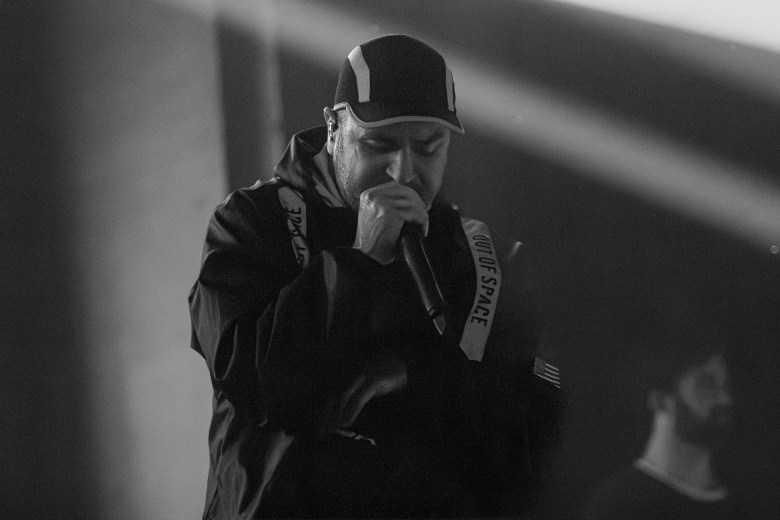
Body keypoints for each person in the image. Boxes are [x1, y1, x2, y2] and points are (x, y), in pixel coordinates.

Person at [189, 34, 560, 518]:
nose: (403, 173)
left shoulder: (477, 250)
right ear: (333, 127)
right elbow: (252, 381)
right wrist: (359, 260)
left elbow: (538, 408)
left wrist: (415, 375)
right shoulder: (249, 223)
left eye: (428, 148)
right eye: (379, 145)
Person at [582, 332, 741, 520]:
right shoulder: (617, 506)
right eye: (706, 384)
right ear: (660, 401)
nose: (725, 399)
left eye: (725, 386)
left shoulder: (738, 506)